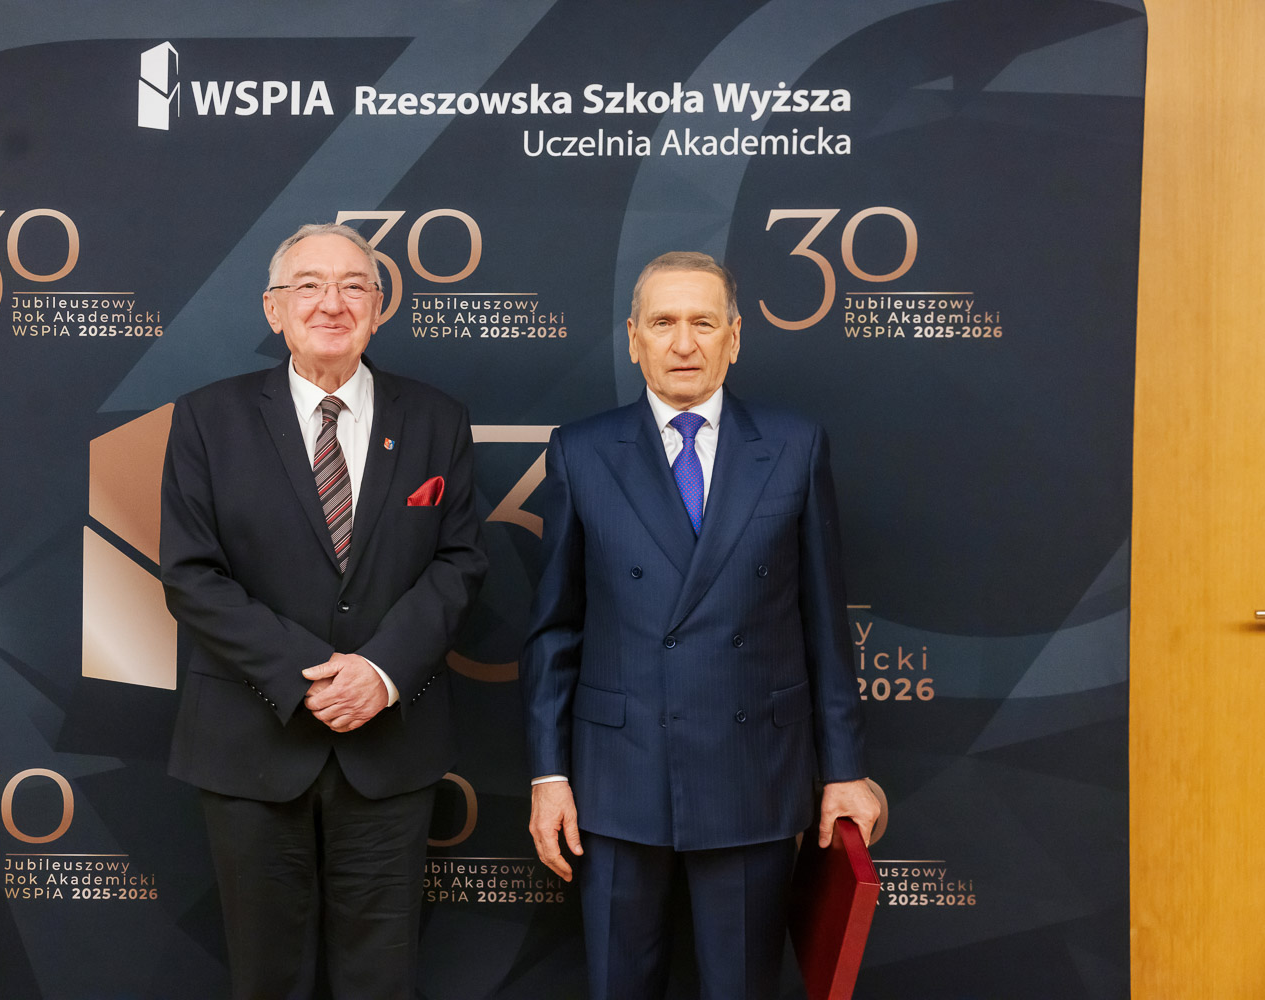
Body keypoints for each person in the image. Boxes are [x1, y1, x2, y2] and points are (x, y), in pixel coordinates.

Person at [521, 251, 879, 999]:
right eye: (663, 323)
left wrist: (844, 769)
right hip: (615, 779)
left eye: (703, 323)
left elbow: (824, 621)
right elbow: (556, 629)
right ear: (633, 338)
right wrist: (550, 775)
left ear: (734, 337)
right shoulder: (580, 450)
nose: (683, 343)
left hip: (752, 775)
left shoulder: (794, 444)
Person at [159, 223, 487, 999]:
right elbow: (191, 574)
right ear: (274, 309)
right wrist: (307, 674)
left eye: (353, 286)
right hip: (251, 742)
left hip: (388, 749)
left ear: (379, 307)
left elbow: (461, 562)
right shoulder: (207, 418)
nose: (331, 303)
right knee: (266, 979)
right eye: (308, 285)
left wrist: (380, 671)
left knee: (381, 979)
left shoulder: (436, 419)